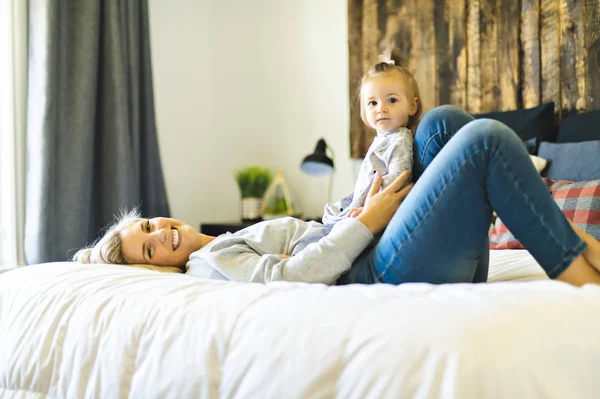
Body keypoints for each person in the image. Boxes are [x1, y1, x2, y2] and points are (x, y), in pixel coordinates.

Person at [73, 105, 600, 287]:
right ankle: (579, 271)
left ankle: (555, 234)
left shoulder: (221, 241)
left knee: (437, 127)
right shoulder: (211, 264)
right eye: (151, 249)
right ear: (162, 269)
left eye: (148, 227)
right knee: (484, 142)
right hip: (374, 269)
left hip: (375, 242)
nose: (160, 234)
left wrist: (357, 203)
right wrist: (367, 221)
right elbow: (295, 275)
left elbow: (312, 242)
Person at [323, 49, 421, 227]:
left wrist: (369, 210)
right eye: (372, 103)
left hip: (377, 214)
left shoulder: (400, 140)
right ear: (364, 111)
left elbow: (397, 181)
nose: (381, 108)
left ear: (412, 106)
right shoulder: (383, 139)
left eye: (392, 100)